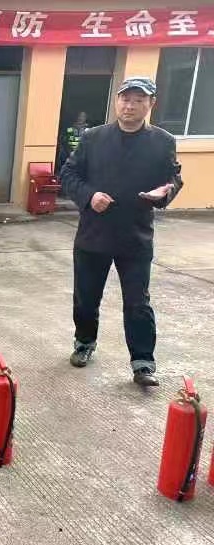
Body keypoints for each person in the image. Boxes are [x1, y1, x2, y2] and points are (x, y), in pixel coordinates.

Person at [60, 77, 183, 387]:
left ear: (151, 104)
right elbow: (69, 174)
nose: (130, 106)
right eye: (125, 99)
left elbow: (173, 178)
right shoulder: (94, 138)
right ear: (117, 102)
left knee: (138, 302)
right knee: (86, 298)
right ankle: (84, 342)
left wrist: (164, 192)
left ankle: (143, 362)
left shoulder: (162, 141)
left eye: (138, 100)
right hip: (94, 234)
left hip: (135, 236)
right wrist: (89, 196)